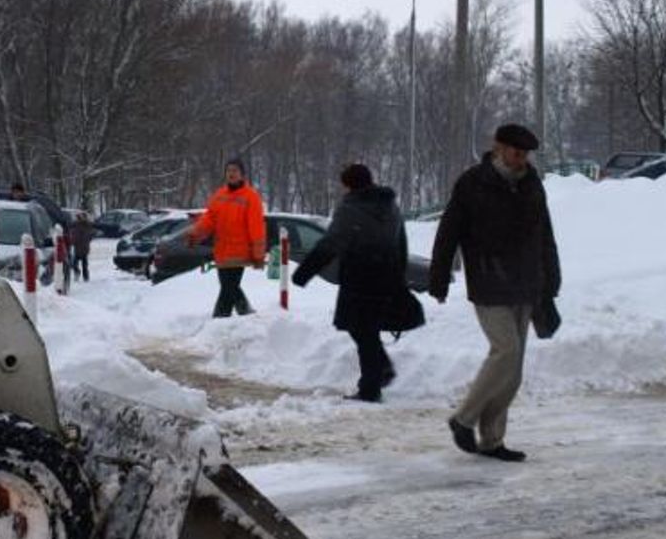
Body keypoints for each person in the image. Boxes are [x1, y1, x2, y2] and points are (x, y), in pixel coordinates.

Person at [429, 123, 561, 462]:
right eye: (515, 152)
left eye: (525, 154)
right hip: (489, 280)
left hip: (526, 282)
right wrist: (439, 277)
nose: (520, 159)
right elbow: (449, 232)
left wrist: (551, 280)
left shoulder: (532, 183)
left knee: (513, 370)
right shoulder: (473, 183)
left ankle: (492, 440)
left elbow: (544, 234)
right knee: (505, 350)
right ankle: (463, 419)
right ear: (498, 147)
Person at [292, 164, 422, 403]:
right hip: (386, 275)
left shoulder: (351, 208)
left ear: (349, 185)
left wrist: (304, 272)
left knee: (362, 331)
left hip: (359, 278)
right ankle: (380, 371)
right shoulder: (390, 206)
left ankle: (371, 387)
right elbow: (401, 242)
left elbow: (330, 243)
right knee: (366, 331)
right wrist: (398, 272)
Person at [188, 158, 266, 318]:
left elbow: (256, 227)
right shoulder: (219, 195)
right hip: (222, 251)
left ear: (242, 174)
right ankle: (247, 314)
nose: (231, 173)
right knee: (230, 287)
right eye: (229, 170)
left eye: (235, 170)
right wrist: (196, 233)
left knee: (228, 288)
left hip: (240, 251)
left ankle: (219, 319)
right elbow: (209, 219)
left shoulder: (251, 196)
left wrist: (258, 254)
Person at [68, 211, 94, 281]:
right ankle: (79, 273)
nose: (78, 218)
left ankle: (85, 276)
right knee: (75, 263)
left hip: (83, 247)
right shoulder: (75, 225)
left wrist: (74, 240)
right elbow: (74, 235)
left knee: (83, 264)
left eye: (79, 217)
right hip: (78, 247)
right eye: (77, 217)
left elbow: (89, 235)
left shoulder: (87, 225)